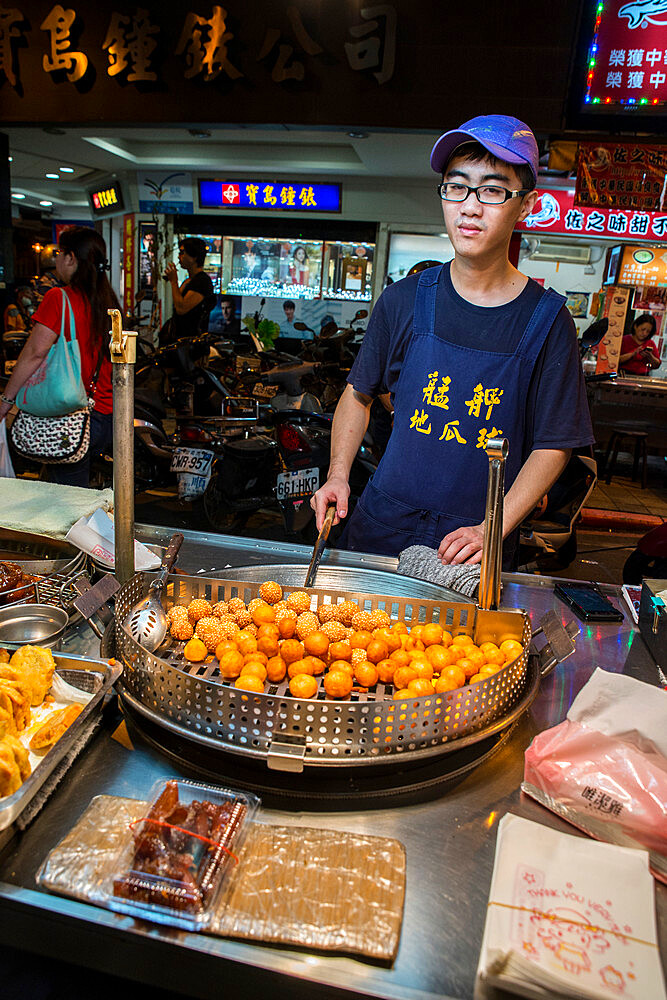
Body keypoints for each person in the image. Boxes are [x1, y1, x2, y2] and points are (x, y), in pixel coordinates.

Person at [311, 114, 595, 568]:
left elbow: (554, 444)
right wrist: (338, 474)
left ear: (526, 205)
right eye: (457, 186)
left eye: (493, 190)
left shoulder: (548, 321)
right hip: (382, 522)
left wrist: (493, 527)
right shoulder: (403, 299)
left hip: (472, 541)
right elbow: (358, 393)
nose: (470, 206)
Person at [0, 226, 118, 487]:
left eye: (58, 253)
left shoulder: (59, 297)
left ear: (71, 258)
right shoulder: (108, 299)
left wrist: (6, 400)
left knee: (68, 504)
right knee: (78, 494)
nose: (55, 259)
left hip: (71, 416)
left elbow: (35, 352)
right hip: (106, 414)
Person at [163, 237, 215, 341]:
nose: (179, 257)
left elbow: (181, 308)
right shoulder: (189, 280)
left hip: (191, 344)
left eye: (182, 253)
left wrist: (174, 282)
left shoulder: (202, 281)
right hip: (179, 340)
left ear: (194, 257)